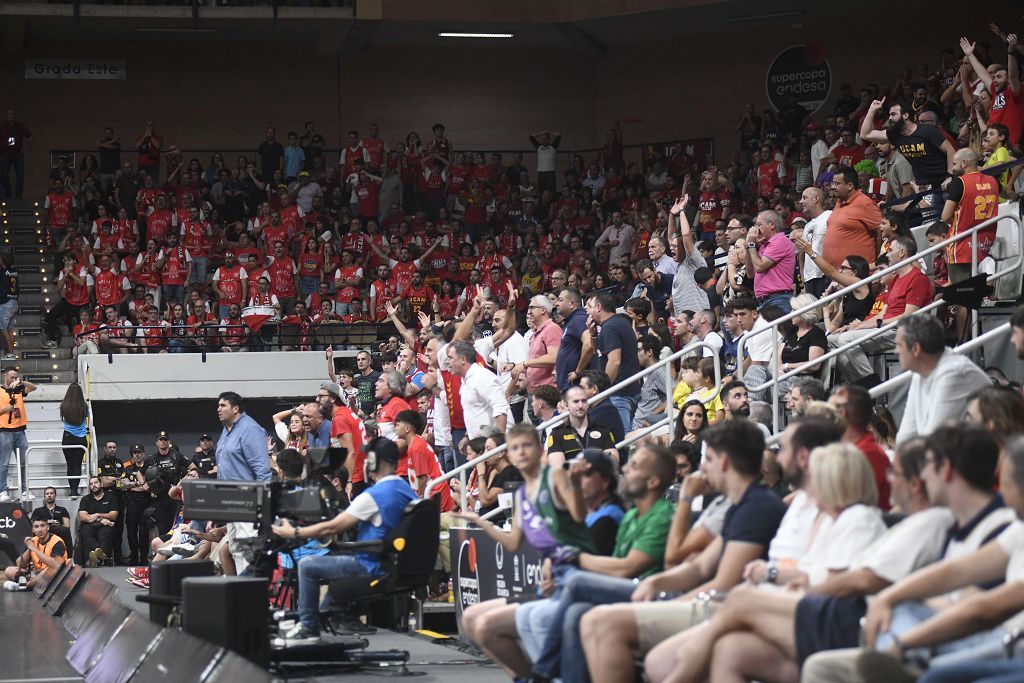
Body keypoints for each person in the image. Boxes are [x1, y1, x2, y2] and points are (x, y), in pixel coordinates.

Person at [802, 425, 1019, 682]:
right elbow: (957, 571)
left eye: (1008, 481)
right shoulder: (1010, 528)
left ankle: (908, 662)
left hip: (1002, 645)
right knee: (820, 666)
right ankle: (902, 660)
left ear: (946, 468)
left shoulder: (999, 523)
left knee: (931, 669)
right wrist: (889, 598)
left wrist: (903, 642)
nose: (923, 477)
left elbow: (982, 609)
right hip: (951, 634)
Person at [577, 419, 788, 682]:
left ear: (723, 462)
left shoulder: (757, 506)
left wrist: (669, 603)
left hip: (728, 610)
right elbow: (699, 567)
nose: (702, 468)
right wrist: (657, 582)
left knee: (600, 621)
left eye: (707, 459)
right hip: (716, 602)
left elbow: (723, 584)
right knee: (594, 620)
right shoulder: (741, 504)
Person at [456, 424, 594, 679]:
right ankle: (530, 677)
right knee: (473, 623)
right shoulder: (521, 495)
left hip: (574, 574)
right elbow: (512, 543)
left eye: (526, 446)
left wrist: (574, 485)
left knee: (491, 626)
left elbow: (580, 519)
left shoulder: (554, 478)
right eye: (515, 448)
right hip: (551, 582)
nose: (520, 452)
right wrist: (481, 523)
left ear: (539, 449)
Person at [270, 437, 417, 646]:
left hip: (372, 566)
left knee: (307, 565)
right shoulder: (404, 489)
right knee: (336, 554)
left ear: (374, 462)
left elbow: (333, 526)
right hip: (393, 563)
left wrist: (294, 532)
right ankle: (336, 614)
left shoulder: (374, 495)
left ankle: (309, 627)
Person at [828, 235, 931, 387]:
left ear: (902, 253)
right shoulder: (896, 279)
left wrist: (877, 323)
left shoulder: (918, 278)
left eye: (890, 250)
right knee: (831, 340)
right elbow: (883, 312)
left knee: (845, 340)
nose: (887, 254)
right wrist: (858, 325)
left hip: (904, 329)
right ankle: (859, 384)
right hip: (887, 327)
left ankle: (872, 385)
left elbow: (908, 317)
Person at [894, 315, 989, 445]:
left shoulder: (954, 373)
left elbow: (934, 441)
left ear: (915, 349)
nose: (896, 351)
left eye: (899, 345)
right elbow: (905, 436)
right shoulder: (920, 371)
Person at [589, 293, 642, 432]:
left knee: (623, 437)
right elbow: (598, 352)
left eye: (589, 307)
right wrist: (593, 334)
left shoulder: (610, 327)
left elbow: (614, 361)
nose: (587, 311)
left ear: (599, 307)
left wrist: (604, 390)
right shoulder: (618, 322)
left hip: (619, 392)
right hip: (627, 389)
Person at [447, 340, 508, 442]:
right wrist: (467, 437)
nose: (448, 362)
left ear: (462, 359)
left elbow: (501, 408)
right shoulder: (466, 380)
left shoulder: (481, 376)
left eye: (450, 358)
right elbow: (474, 412)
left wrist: (498, 444)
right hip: (481, 445)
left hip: (493, 444)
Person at [546, 385, 617, 463]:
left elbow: (614, 462)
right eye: (576, 401)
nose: (580, 406)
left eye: (584, 401)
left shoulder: (603, 431)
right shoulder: (556, 434)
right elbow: (558, 468)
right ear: (566, 405)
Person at [741, 210, 795, 312]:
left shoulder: (780, 241)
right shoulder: (764, 245)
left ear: (771, 225)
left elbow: (760, 267)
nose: (756, 229)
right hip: (763, 300)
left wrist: (751, 245)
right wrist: (749, 246)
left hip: (778, 299)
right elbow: (750, 274)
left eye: (759, 225)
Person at [2, 510, 67, 591]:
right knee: (9, 570)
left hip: (54, 575)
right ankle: (34, 584)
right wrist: (29, 549)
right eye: (36, 527)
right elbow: (19, 564)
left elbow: (55, 565)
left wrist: (34, 549)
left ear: (48, 527)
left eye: (42, 526)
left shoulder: (57, 542)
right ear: (33, 529)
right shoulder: (33, 541)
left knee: (49, 569)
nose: (40, 530)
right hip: (37, 574)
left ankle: (26, 586)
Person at [215, 391, 270, 481]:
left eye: (223, 405)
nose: (218, 409)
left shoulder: (251, 429)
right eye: (218, 406)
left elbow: (263, 471)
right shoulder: (226, 428)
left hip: (245, 493)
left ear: (235, 409)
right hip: (224, 492)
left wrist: (260, 494)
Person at [0, 368, 36, 502]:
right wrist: (6, 409)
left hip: (20, 431)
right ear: (5, 376)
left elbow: (34, 388)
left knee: (23, 462)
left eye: (16, 377)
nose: (13, 380)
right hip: (5, 431)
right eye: (11, 377)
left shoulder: (19, 389)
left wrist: (22, 382)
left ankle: (25, 490)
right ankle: (2, 491)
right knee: (3, 463)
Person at [120, 444, 151, 566]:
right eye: (134, 453)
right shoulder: (128, 468)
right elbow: (122, 485)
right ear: (132, 455)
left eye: (139, 452)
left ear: (143, 454)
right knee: (131, 533)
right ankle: (134, 557)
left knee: (144, 533)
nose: (137, 454)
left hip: (145, 505)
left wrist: (131, 485)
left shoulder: (148, 469)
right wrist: (137, 484)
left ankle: (143, 558)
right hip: (131, 505)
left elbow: (146, 488)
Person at [78, 475, 119, 567]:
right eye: (91, 484)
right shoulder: (85, 499)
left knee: (106, 533)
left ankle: (96, 558)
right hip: (90, 525)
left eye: (96, 483)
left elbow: (113, 516)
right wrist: (100, 519)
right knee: (85, 531)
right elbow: (83, 517)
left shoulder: (111, 498)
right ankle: (100, 556)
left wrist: (97, 515)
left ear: (101, 484)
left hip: (106, 526)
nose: (93, 485)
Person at [59, 383, 88, 498]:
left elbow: (64, 419)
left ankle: (72, 490)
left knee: (70, 465)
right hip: (80, 438)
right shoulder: (84, 406)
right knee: (77, 465)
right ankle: (74, 491)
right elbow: (86, 418)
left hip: (67, 437)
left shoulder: (64, 405)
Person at [0, 110, 31, 200]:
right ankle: (8, 193)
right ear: (7, 116)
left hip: (18, 155)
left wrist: (26, 149)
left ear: (14, 116)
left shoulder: (20, 126)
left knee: (20, 174)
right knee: (4, 175)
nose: (10, 115)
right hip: (5, 155)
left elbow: (31, 136)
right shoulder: (2, 127)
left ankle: (18, 194)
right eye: (9, 114)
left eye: (12, 114)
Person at [0, 252, 18, 360]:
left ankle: (10, 353)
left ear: (3, 261)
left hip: (5, 302)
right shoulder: (14, 271)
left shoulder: (2, 272)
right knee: (10, 328)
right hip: (14, 301)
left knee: (2, 328)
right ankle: (11, 353)